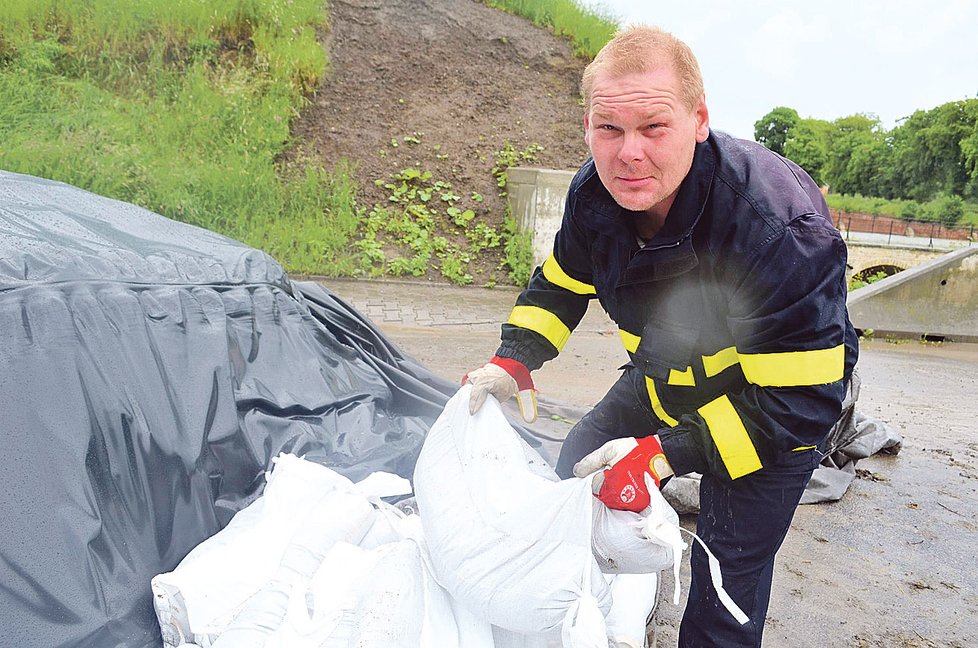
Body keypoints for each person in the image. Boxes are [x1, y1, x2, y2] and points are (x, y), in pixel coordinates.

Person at [465, 25, 858, 648]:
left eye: (654, 127)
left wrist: (661, 455)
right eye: (609, 129)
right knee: (575, 465)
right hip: (669, 372)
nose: (629, 154)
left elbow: (797, 404)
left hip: (771, 408)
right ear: (586, 126)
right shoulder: (593, 196)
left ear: (698, 120)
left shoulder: (779, 227)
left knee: (725, 573)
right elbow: (562, 284)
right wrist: (515, 358)